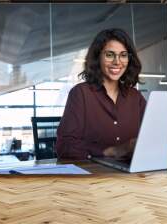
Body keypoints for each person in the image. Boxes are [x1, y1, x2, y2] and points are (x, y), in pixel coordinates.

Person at [55, 28, 146, 160]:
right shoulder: (81, 94)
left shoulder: (135, 97)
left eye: (123, 55)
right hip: (94, 176)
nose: (117, 62)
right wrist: (111, 151)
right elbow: (64, 147)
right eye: (110, 55)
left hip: (132, 174)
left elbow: (152, 137)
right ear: (97, 57)